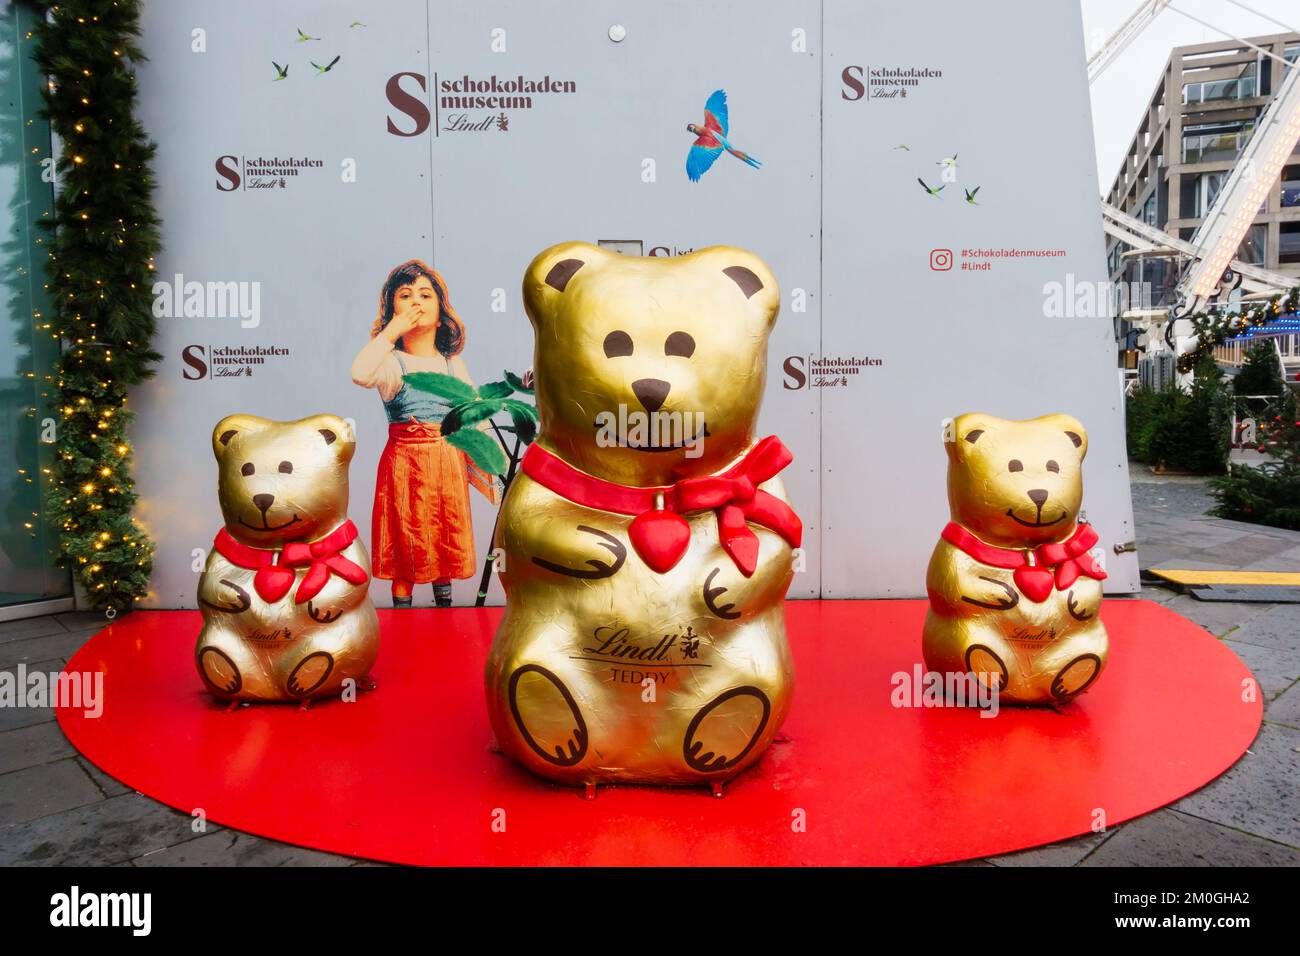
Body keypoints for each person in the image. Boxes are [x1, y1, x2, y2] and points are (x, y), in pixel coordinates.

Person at [351, 260, 498, 607]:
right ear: (391, 308)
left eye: (425, 294)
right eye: (405, 295)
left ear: (441, 308)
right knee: (406, 541)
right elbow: (360, 373)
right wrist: (389, 334)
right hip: (405, 467)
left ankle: (443, 613)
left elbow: (474, 412)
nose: (416, 301)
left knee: (444, 540)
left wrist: (496, 462)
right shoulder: (391, 363)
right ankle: (403, 616)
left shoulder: (451, 364)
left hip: (447, 464)